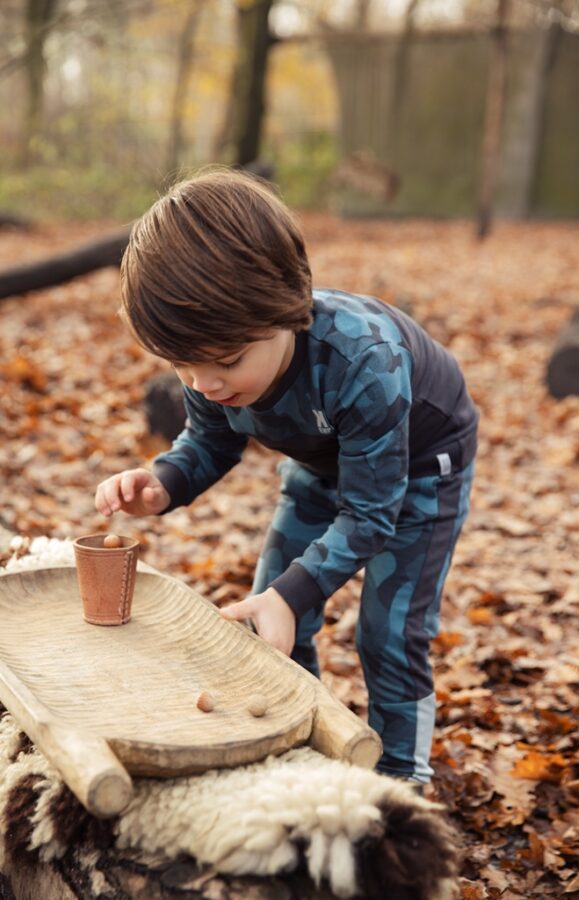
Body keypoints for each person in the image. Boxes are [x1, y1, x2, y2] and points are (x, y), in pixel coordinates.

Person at [95, 169, 478, 784]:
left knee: (389, 632)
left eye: (225, 363)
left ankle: (402, 779)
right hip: (322, 459)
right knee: (272, 613)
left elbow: (373, 514)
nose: (205, 384)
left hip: (420, 469)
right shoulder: (209, 365)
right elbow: (209, 440)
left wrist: (298, 590)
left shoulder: (363, 363)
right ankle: (299, 742)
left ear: (284, 310)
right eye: (182, 366)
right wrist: (164, 480)